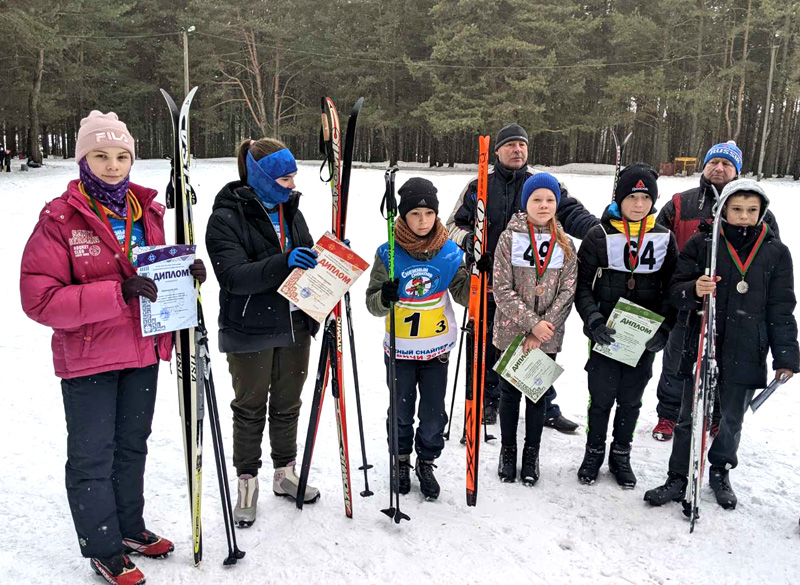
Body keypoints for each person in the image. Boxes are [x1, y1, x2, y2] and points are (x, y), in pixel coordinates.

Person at [20, 111, 206, 585]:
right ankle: (103, 546)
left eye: (122, 156)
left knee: (131, 448)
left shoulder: (149, 212)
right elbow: (39, 300)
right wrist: (116, 292)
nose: (112, 165)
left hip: (141, 353)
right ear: (83, 159)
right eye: (100, 155)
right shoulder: (59, 220)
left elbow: (156, 273)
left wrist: (186, 275)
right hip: (89, 359)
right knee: (92, 455)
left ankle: (128, 527)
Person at [644, 179, 798, 512]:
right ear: (724, 209)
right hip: (701, 341)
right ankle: (678, 476)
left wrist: (786, 355)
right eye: (737, 209)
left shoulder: (775, 252)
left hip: (747, 347)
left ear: (762, 214)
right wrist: (694, 289)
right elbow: (674, 290)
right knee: (688, 415)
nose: (744, 217)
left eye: (751, 211)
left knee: (730, 418)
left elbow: (781, 307)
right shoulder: (703, 244)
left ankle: (720, 470)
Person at [446, 123, 597, 431]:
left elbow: (571, 213)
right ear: (497, 150)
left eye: (522, 145)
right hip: (491, 282)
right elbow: (452, 225)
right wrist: (472, 246)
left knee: (538, 345)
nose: (517, 150)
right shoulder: (479, 184)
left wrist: (598, 230)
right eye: (511, 145)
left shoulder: (541, 182)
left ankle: (545, 403)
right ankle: (490, 399)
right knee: (490, 343)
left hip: (536, 287)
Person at [205, 138, 321, 528]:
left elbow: (305, 255)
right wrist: (283, 262)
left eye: (293, 177)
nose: (291, 184)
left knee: (288, 404)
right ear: (260, 177)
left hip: (294, 324)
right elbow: (234, 277)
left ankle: (285, 473)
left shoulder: (291, 211)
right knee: (250, 408)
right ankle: (247, 481)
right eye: (284, 178)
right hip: (249, 329)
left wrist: (332, 259)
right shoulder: (225, 217)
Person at [651, 141, 780, 441]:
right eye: (714, 162)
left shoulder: (756, 208)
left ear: (737, 170)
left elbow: (770, 256)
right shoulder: (682, 203)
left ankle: (717, 417)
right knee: (676, 360)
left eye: (727, 164)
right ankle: (668, 414)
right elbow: (659, 243)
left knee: (725, 363)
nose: (719, 168)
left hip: (733, 303)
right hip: (685, 296)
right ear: (705, 165)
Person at [574, 163, 678, 488]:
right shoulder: (599, 235)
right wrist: (593, 320)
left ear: (653, 201)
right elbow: (581, 287)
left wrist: (663, 329)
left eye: (645, 198)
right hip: (606, 331)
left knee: (631, 399)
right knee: (601, 396)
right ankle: (594, 452)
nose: (637, 204)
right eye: (631, 197)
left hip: (643, 337)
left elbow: (671, 288)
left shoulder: (664, 237)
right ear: (620, 199)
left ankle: (621, 454)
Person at [365, 177, 468, 499]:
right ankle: (400, 460)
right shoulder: (388, 252)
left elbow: (465, 296)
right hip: (400, 350)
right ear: (403, 217)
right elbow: (372, 304)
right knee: (400, 410)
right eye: (414, 214)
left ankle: (426, 460)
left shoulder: (450, 251)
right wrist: (385, 295)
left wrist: (477, 273)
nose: (422, 220)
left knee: (434, 413)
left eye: (428, 214)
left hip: (436, 349)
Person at [492, 173, 577, 485]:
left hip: (546, 338)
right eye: (536, 199)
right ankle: (509, 450)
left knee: (537, 396)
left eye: (550, 200)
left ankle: (531, 453)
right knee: (510, 394)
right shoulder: (509, 238)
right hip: (512, 332)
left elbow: (568, 291)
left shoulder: (564, 243)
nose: (543, 205)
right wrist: (531, 324)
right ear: (525, 202)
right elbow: (501, 287)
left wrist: (544, 328)